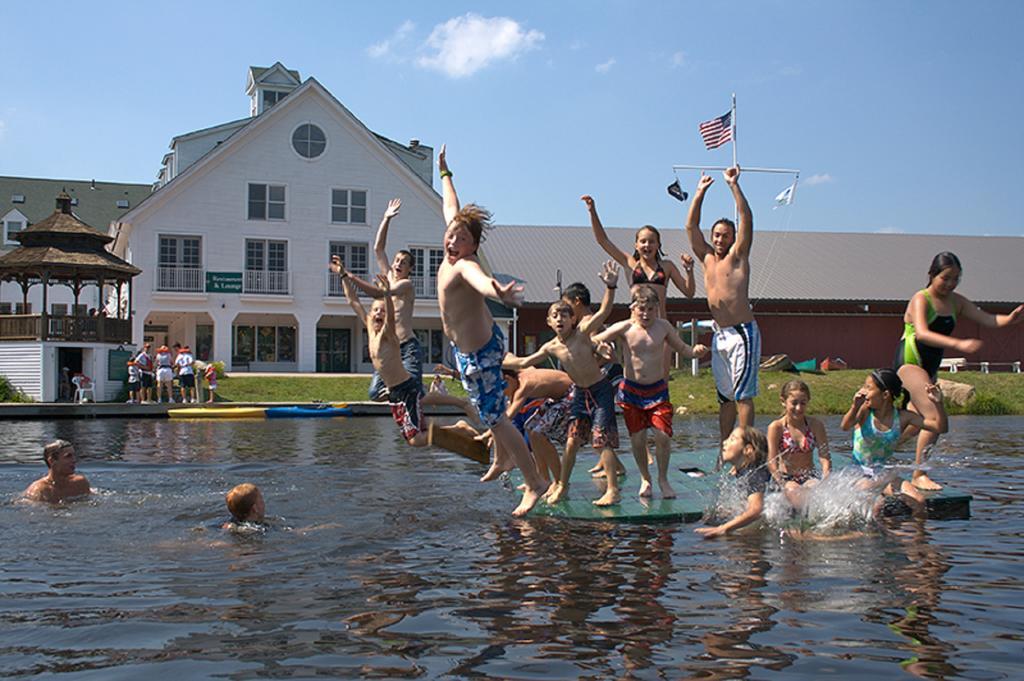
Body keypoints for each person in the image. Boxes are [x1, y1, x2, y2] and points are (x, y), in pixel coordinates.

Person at [437, 145, 550, 517]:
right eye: (451, 236)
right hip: (470, 351)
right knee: (493, 414)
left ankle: (535, 483)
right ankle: (502, 459)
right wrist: (444, 172)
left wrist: (496, 289)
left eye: (462, 239)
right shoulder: (451, 249)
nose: (453, 242)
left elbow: (480, 281)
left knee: (496, 419)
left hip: (481, 353)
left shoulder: (465, 265)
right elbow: (450, 208)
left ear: (474, 246)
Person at [894, 252, 1024, 490]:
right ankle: (919, 474)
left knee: (915, 425)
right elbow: (922, 333)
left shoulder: (957, 302)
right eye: (946, 278)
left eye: (956, 279)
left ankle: (881, 449)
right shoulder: (920, 299)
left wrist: (1010, 319)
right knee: (935, 418)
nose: (951, 284)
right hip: (911, 363)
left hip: (929, 368)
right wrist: (959, 344)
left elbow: (987, 319)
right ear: (932, 275)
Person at [503, 293, 621, 506]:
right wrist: (507, 360)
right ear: (549, 322)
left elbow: (604, 311)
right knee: (571, 442)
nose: (560, 319)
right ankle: (562, 487)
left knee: (602, 441)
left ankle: (612, 490)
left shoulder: (583, 333)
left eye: (565, 315)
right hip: (580, 394)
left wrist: (610, 287)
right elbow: (525, 361)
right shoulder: (551, 347)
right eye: (555, 315)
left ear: (573, 320)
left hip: (600, 391)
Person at [593, 285, 708, 499]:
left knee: (663, 436)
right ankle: (645, 478)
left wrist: (695, 352)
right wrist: (600, 347)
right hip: (631, 391)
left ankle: (663, 479)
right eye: (641, 309)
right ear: (633, 308)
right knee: (637, 440)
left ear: (657, 309)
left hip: (657, 391)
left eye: (651, 309)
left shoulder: (663, 327)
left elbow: (683, 349)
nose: (646, 314)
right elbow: (595, 339)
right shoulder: (625, 327)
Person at [341, 270, 478, 447]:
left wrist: (386, 295)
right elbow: (353, 301)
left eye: (381, 312)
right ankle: (455, 429)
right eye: (375, 310)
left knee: (416, 439)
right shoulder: (370, 328)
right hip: (394, 394)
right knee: (416, 434)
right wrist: (343, 276)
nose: (378, 314)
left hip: (406, 390)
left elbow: (390, 318)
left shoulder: (388, 334)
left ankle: (459, 428)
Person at [685, 167, 759, 451]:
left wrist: (733, 186)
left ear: (732, 238)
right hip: (721, 335)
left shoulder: (738, 256)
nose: (719, 240)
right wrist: (700, 192)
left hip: (742, 333)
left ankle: (747, 448)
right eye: (716, 235)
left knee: (742, 396)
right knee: (725, 397)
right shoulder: (706, 258)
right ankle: (725, 447)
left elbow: (746, 219)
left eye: (725, 236)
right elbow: (691, 228)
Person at [584, 194, 695, 376]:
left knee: (662, 379)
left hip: (661, 327)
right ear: (636, 245)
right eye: (643, 241)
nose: (647, 245)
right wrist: (592, 211)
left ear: (658, 244)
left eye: (651, 241)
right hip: (635, 328)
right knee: (634, 375)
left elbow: (689, 292)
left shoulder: (666, 267)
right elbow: (603, 241)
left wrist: (689, 271)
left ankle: (661, 404)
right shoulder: (631, 264)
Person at [332, 198, 422, 402]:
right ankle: (405, 391)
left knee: (416, 396)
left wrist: (349, 275)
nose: (399, 264)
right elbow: (378, 249)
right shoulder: (389, 276)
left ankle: (428, 394)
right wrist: (386, 218)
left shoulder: (406, 286)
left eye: (404, 263)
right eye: (397, 260)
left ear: (409, 269)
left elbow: (379, 294)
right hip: (388, 349)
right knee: (375, 394)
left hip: (407, 346)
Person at [840, 369, 948, 517]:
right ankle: (877, 537)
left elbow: (940, 428)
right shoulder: (864, 411)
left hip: (883, 474)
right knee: (878, 505)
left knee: (919, 501)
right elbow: (845, 426)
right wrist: (854, 406)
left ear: (885, 395)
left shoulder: (903, 418)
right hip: (858, 473)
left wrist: (938, 403)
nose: (863, 391)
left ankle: (918, 539)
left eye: (868, 388)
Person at [501, 366, 574, 486]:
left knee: (539, 433)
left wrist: (489, 433)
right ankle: (543, 478)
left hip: (571, 393)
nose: (503, 393)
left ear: (508, 379)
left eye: (502, 389)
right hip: (555, 398)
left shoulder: (524, 384)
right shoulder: (517, 377)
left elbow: (509, 415)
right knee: (530, 428)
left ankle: (559, 482)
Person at [766, 380, 831, 509]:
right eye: (794, 403)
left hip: (809, 476)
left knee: (815, 490)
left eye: (803, 403)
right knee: (795, 493)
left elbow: (824, 456)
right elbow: (772, 462)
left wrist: (826, 477)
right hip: (786, 478)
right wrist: (781, 482)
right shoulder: (777, 427)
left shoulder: (816, 425)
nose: (799, 408)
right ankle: (799, 525)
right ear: (783, 401)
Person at [694, 426, 769, 538]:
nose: (724, 442)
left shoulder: (754, 475)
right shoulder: (745, 470)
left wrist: (723, 529)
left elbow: (756, 509)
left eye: (732, 439)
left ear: (747, 450)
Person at [23, 439, 91, 503]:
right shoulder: (40, 490)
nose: (74, 460)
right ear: (52, 461)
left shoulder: (80, 484)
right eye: (68, 456)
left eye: (73, 455)